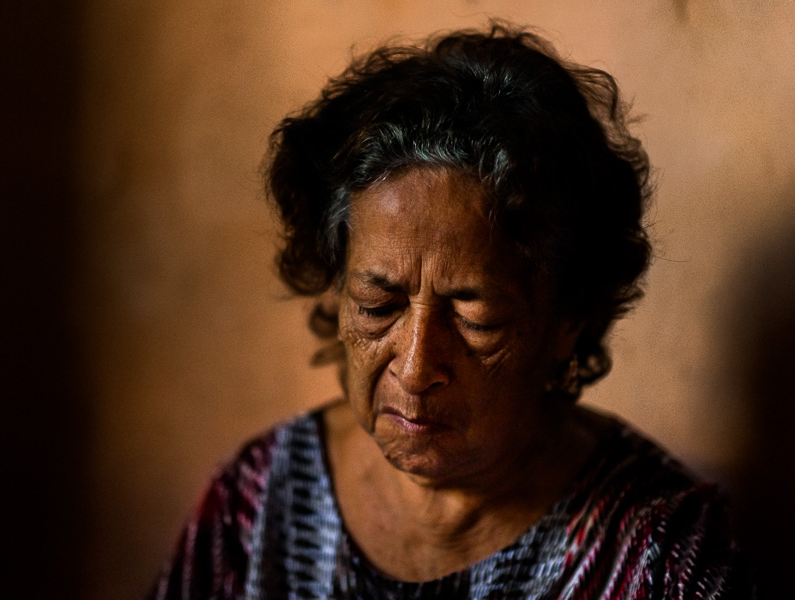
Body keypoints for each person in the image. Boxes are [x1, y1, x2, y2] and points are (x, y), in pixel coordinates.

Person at [150, 23, 752, 599]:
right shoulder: (255, 506)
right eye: (377, 304)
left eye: (476, 320)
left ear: (568, 319)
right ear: (336, 292)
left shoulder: (660, 554)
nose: (415, 368)